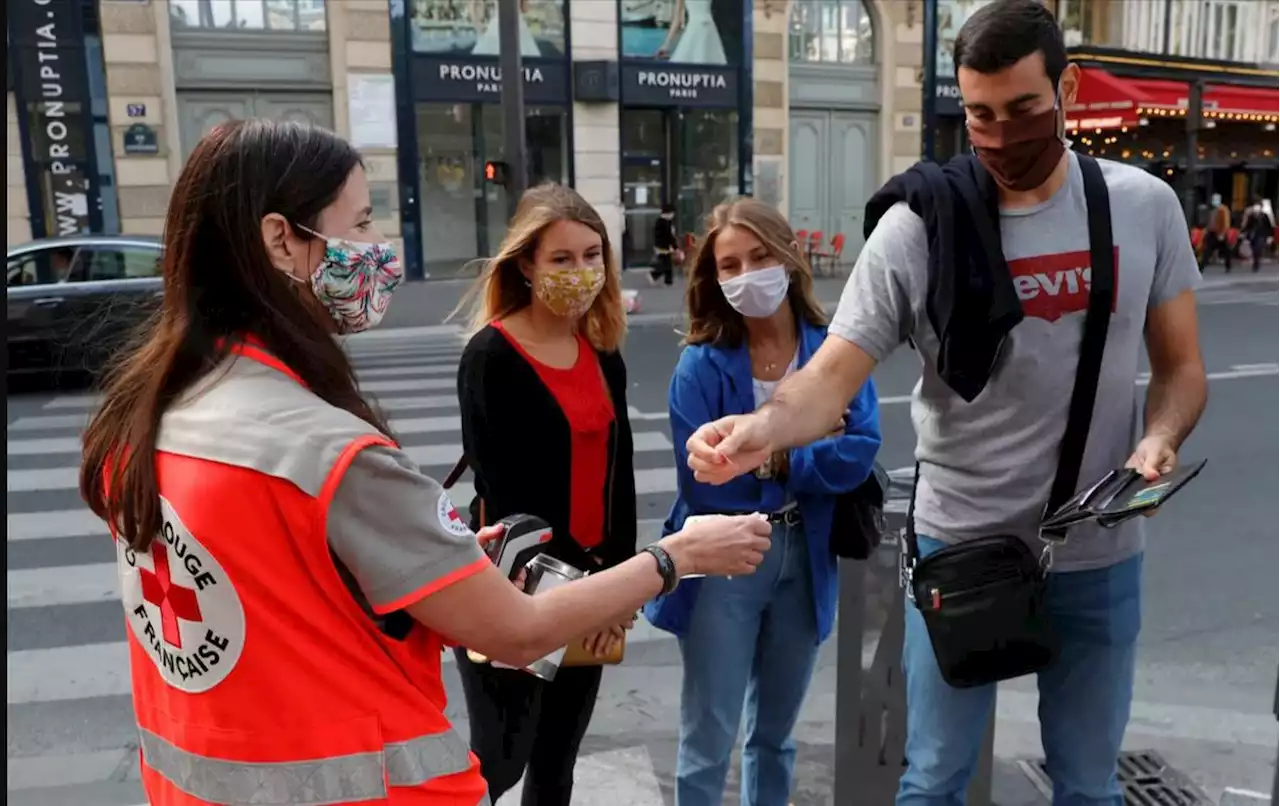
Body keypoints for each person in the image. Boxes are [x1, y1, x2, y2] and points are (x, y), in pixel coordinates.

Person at [78, 120, 773, 806]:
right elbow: (514, 628)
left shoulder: (152, 417)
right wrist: (674, 557)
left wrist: (431, 560)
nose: (380, 248)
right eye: (361, 223)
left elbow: (282, 595)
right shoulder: (328, 450)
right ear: (282, 241)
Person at [682, 2, 1209, 803]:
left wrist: (1160, 439)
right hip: (961, 548)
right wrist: (759, 429)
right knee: (932, 778)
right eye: (980, 116)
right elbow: (830, 380)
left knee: (1089, 783)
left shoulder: (1142, 207)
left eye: (1024, 109)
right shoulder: (919, 228)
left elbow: (1180, 368)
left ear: (1066, 88)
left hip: (1097, 552)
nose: (1000, 136)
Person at [646, 198, 881, 806]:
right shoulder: (699, 367)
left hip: (806, 552)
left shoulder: (833, 354)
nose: (746, 274)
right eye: (729, 265)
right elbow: (707, 479)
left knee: (774, 736)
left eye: (759, 257)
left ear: (788, 258)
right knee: (709, 737)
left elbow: (860, 451)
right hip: (724, 556)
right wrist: (806, 447)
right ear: (713, 278)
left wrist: (773, 455)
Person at [450, 182, 640, 805]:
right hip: (514, 595)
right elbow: (503, 495)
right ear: (526, 265)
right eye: (562, 259)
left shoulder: (602, 350)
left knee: (557, 766)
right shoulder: (491, 356)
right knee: (500, 763)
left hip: (590, 587)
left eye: (592, 255)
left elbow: (622, 475)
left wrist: (620, 587)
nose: (581, 272)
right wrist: (574, 594)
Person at [1200, 192, 1233, 272]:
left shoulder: (1223, 209)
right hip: (1212, 232)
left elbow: (1225, 222)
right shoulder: (1212, 210)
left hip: (1220, 233)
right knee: (1207, 250)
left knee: (1226, 250)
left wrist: (1222, 233)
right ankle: (1201, 267)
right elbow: (1210, 221)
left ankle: (1228, 265)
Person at [1242, 194, 1275, 273]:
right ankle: (1256, 261)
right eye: (1255, 206)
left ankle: (1256, 264)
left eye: (1258, 206)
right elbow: (1247, 226)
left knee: (1258, 248)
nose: (1256, 207)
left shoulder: (1265, 216)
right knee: (1254, 249)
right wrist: (1244, 233)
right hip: (1252, 235)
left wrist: (1270, 236)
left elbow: (1269, 226)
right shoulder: (1251, 216)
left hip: (1262, 235)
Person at [651, 203, 679, 286]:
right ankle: (654, 274)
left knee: (667, 263)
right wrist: (674, 246)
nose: (673, 215)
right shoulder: (664, 223)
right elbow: (669, 236)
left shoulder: (663, 222)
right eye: (672, 213)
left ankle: (668, 281)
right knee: (666, 264)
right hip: (663, 247)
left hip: (662, 246)